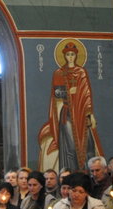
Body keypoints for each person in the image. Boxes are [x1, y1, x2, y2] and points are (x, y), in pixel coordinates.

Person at [38, 41, 103, 172]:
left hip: (81, 114)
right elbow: (56, 93)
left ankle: (87, 174)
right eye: (68, 54)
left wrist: (90, 114)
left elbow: (86, 94)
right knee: (71, 147)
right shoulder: (59, 73)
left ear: (76, 55)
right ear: (65, 56)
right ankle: (70, 173)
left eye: (73, 54)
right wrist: (68, 92)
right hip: (67, 114)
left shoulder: (81, 72)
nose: (70, 57)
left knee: (87, 146)